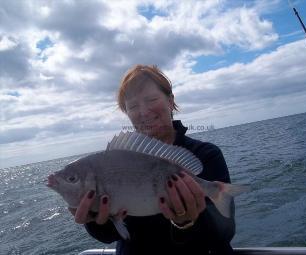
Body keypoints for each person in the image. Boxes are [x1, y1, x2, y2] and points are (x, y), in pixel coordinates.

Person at [69, 65, 236, 255]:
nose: (144, 111)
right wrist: (94, 218)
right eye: (132, 106)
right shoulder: (115, 162)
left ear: (170, 101)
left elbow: (224, 233)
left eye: (152, 99)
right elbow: (110, 236)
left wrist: (185, 223)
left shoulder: (206, 154)